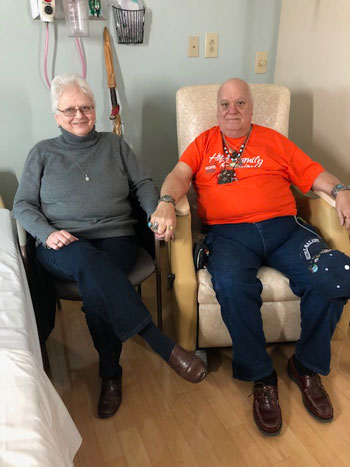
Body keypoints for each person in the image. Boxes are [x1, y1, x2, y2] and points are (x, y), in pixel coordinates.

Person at [149, 78, 350, 435]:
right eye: (225, 104)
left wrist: (341, 189)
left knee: (334, 273)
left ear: (252, 108)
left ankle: (306, 367)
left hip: (285, 229)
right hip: (228, 235)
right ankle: (261, 377)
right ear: (216, 109)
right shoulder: (204, 143)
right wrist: (166, 201)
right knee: (229, 283)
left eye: (240, 103)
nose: (232, 110)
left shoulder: (274, 141)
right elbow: (178, 176)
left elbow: (314, 173)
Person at [13, 73, 207, 420]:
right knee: (89, 263)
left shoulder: (115, 145)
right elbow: (23, 204)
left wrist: (155, 210)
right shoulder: (42, 153)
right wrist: (46, 232)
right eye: (69, 109)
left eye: (85, 107)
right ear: (56, 115)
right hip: (63, 243)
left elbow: (144, 183)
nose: (79, 115)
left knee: (97, 293)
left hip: (117, 236)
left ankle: (110, 375)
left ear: (95, 110)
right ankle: (156, 345)